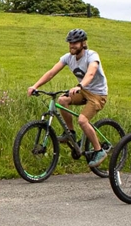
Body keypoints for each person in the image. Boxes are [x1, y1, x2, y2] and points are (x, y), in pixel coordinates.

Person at [27, 29, 109, 167]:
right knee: (62, 100)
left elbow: (90, 73)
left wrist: (80, 86)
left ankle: (99, 150)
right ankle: (70, 133)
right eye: (70, 43)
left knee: (82, 120)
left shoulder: (92, 56)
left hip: (97, 94)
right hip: (83, 91)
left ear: (83, 43)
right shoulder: (68, 58)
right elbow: (51, 73)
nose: (72, 45)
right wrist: (35, 86)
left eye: (75, 43)